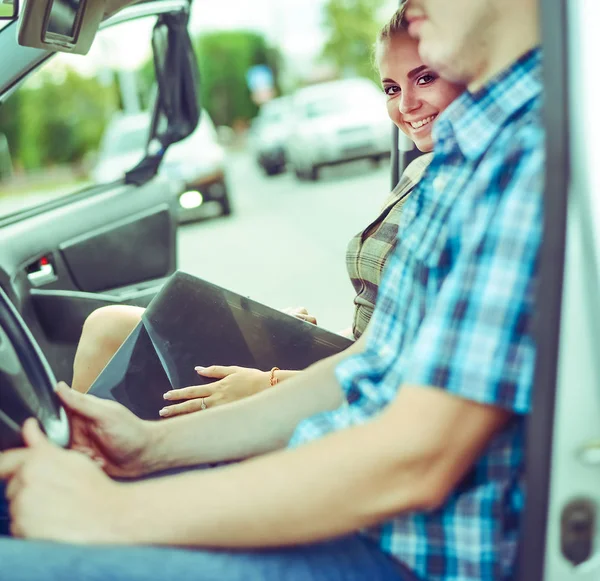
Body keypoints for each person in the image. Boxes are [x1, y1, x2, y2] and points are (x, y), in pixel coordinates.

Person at [0, 0, 544, 580]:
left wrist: (110, 514)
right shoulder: (471, 152)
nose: (407, 9)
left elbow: (420, 459)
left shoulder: (530, 158)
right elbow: (368, 360)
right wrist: (149, 447)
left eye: (423, 79)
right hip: (357, 503)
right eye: (390, 86)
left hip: (397, 548)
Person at [69, 22, 464, 414]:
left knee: (109, 330)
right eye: (392, 89)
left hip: (359, 391)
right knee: (108, 326)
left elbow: (399, 361)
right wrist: (289, 331)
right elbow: (372, 331)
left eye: (425, 78)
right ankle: (86, 459)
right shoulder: (423, 168)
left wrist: (266, 383)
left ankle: (83, 465)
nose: (406, 104)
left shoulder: (472, 192)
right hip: (340, 356)